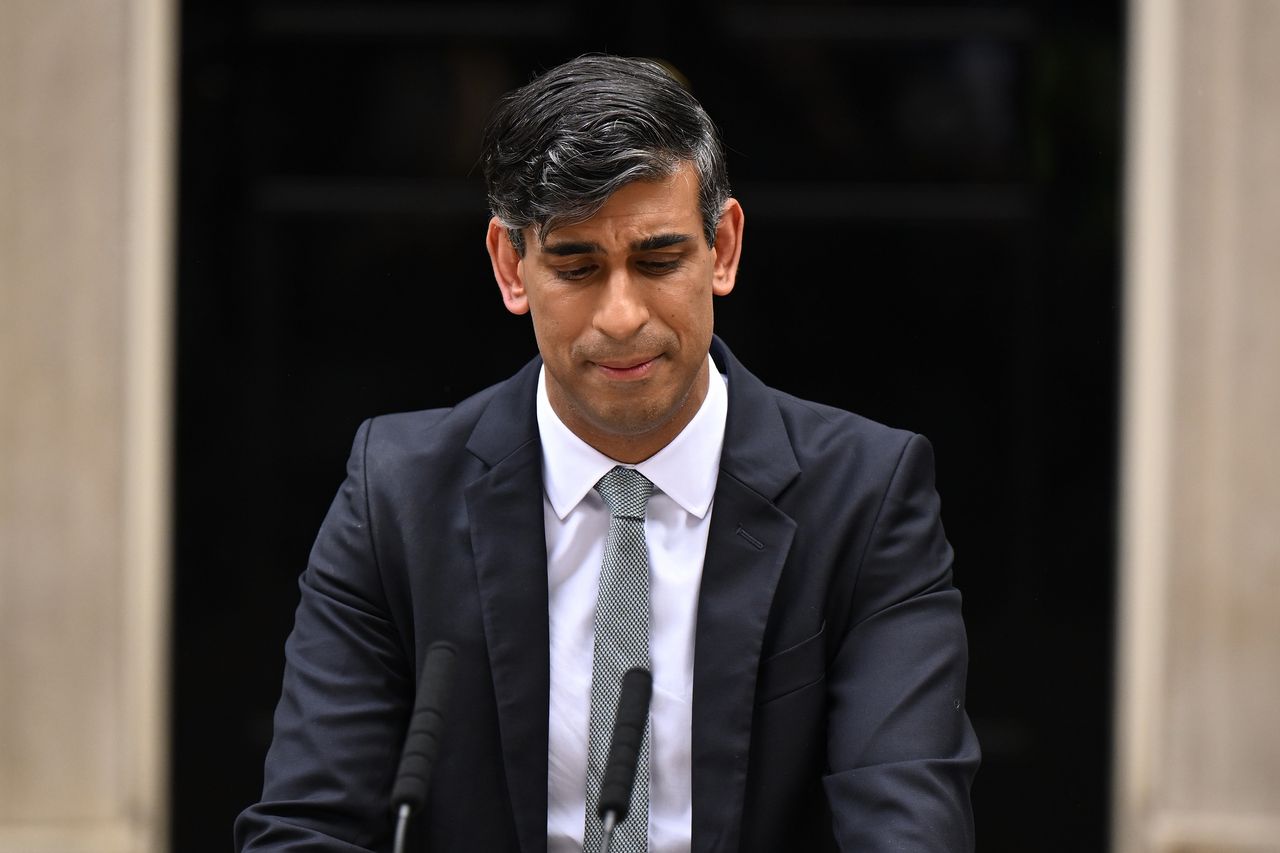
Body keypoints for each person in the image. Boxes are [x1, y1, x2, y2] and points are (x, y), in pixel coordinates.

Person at [235, 54, 979, 852]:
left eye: (658, 261)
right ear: (510, 265)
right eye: (577, 266)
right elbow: (309, 825)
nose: (621, 315)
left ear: (722, 248)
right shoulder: (399, 494)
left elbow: (909, 828)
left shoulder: (864, 498)